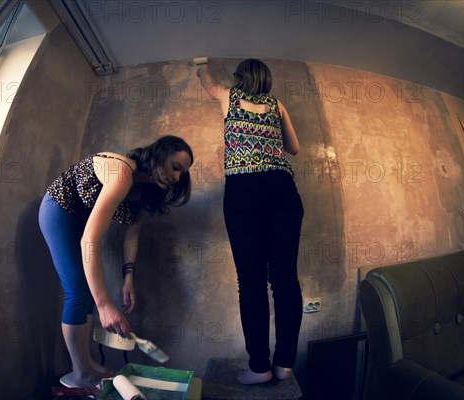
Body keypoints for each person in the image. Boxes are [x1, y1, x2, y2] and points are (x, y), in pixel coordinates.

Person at [38, 135, 194, 388]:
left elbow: (132, 234)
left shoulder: (146, 192)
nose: (177, 177)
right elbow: (90, 240)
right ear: (160, 154)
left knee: (86, 293)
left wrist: (128, 277)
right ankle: (81, 372)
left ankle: (85, 362)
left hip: (81, 222)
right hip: (59, 210)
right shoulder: (122, 172)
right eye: (175, 167)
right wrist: (105, 305)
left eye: (182, 173)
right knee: (78, 291)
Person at [197, 59, 304, 384]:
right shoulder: (277, 104)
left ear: (240, 77)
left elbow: (207, 81)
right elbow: (294, 148)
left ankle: (259, 367)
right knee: (285, 279)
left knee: (252, 281)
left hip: (243, 191)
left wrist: (199, 65)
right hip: (282, 189)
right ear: (266, 80)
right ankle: (285, 365)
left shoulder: (226, 96)